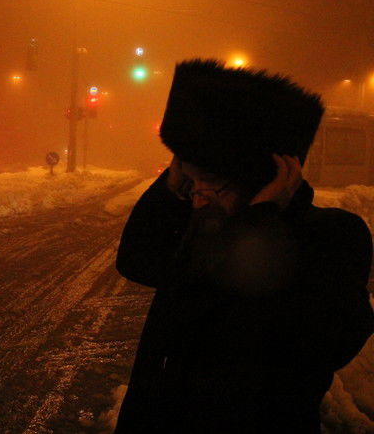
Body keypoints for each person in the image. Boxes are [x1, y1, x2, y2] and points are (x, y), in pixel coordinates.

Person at [114, 59, 373, 433]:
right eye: (192, 183)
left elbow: (322, 344)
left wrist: (261, 220)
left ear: (263, 178)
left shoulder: (331, 236)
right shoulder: (206, 227)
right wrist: (174, 184)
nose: (198, 199)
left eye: (212, 184)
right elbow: (137, 259)